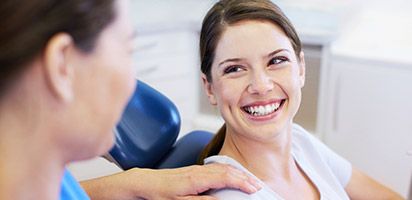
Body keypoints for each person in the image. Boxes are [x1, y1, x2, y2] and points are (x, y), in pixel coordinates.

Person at [0, 0, 261, 199]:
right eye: (127, 51)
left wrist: (135, 184)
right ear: (62, 66)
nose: (132, 85)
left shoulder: (45, 175)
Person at [197, 0, 404, 199]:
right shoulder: (229, 194)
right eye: (235, 69)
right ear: (209, 88)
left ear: (301, 68)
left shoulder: (300, 142)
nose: (261, 86)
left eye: (277, 60)